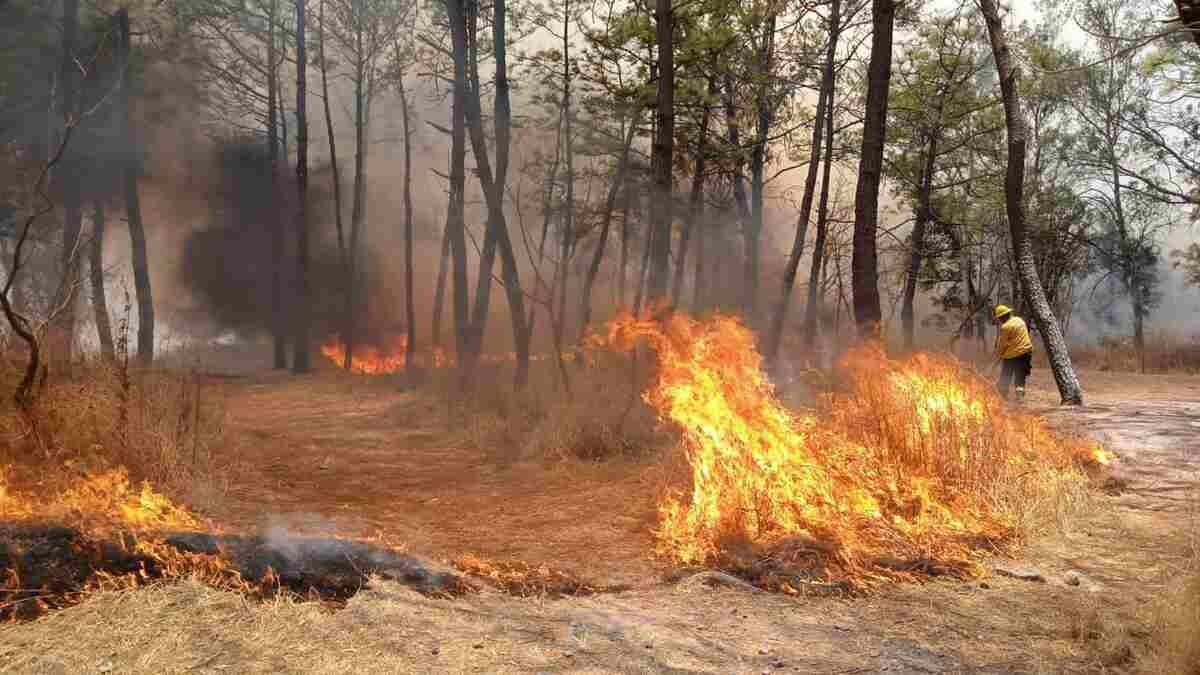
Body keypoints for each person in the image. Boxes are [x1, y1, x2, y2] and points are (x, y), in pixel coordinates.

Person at [992, 304, 1032, 401]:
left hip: (1012, 355)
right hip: (1026, 352)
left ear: (1003, 316)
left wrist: (998, 355)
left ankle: (1002, 395)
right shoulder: (1019, 320)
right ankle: (1020, 397)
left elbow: (1002, 345)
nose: (1000, 320)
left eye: (1000, 318)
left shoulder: (1006, 327)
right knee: (1020, 375)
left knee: (1006, 374)